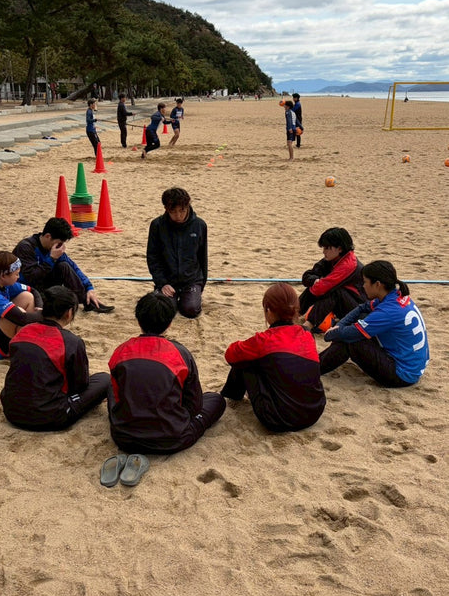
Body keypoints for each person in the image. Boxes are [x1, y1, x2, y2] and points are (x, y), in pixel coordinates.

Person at [107, 292, 225, 454]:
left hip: (125, 438)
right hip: (172, 440)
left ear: (138, 320)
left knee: (110, 385)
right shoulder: (180, 353)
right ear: (169, 323)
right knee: (216, 400)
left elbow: (117, 397)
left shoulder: (120, 352)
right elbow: (194, 405)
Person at [0, 286, 110, 430]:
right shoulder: (71, 341)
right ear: (69, 313)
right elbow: (80, 385)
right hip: (50, 416)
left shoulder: (23, 332)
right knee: (104, 379)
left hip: (12, 411)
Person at [221, 284, 326, 432]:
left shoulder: (264, 340)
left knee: (245, 359)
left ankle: (232, 395)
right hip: (314, 412)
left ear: (269, 311)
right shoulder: (307, 335)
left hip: (277, 419)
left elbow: (230, 355)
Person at [319, 260, 429, 387]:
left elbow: (349, 334)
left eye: (365, 282)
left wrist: (333, 333)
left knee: (351, 340)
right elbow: (362, 308)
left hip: (402, 375)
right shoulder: (395, 296)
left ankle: (313, 368)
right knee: (358, 322)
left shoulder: (387, 311)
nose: (363, 286)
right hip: (412, 366)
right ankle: (316, 364)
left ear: (377, 284)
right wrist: (340, 326)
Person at [13, 217, 114, 313]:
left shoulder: (53, 248)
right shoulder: (26, 248)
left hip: (46, 285)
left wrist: (89, 288)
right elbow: (31, 276)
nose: (61, 246)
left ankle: (87, 301)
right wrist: (51, 259)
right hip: (29, 289)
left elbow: (73, 267)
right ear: (48, 236)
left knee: (64, 265)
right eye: (59, 243)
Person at [146, 187, 207, 318]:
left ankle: (191, 296)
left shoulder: (199, 225)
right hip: (168, 280)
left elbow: (203, 258)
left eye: (182, 211)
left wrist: (200, 285)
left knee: (190, 309)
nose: (178, 216)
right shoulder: (157, 225)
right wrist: (162, 283)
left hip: (191, 280)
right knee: (164, 310)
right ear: (166, 209)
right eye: (173, 212)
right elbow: (153, 257)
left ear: (188, 207)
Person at [299, 227, 366, 333]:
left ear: (339, 249)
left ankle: (308, 325)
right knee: (316, 285)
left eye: (327, 248)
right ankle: (293, 314)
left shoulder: (348, 265)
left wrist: (316, 283)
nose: (323, 251)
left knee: (333, 291)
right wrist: (314, 281)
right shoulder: (332, 258)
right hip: (346, 305)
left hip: (359, 310)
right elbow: (307, 276)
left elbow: (321, 289)